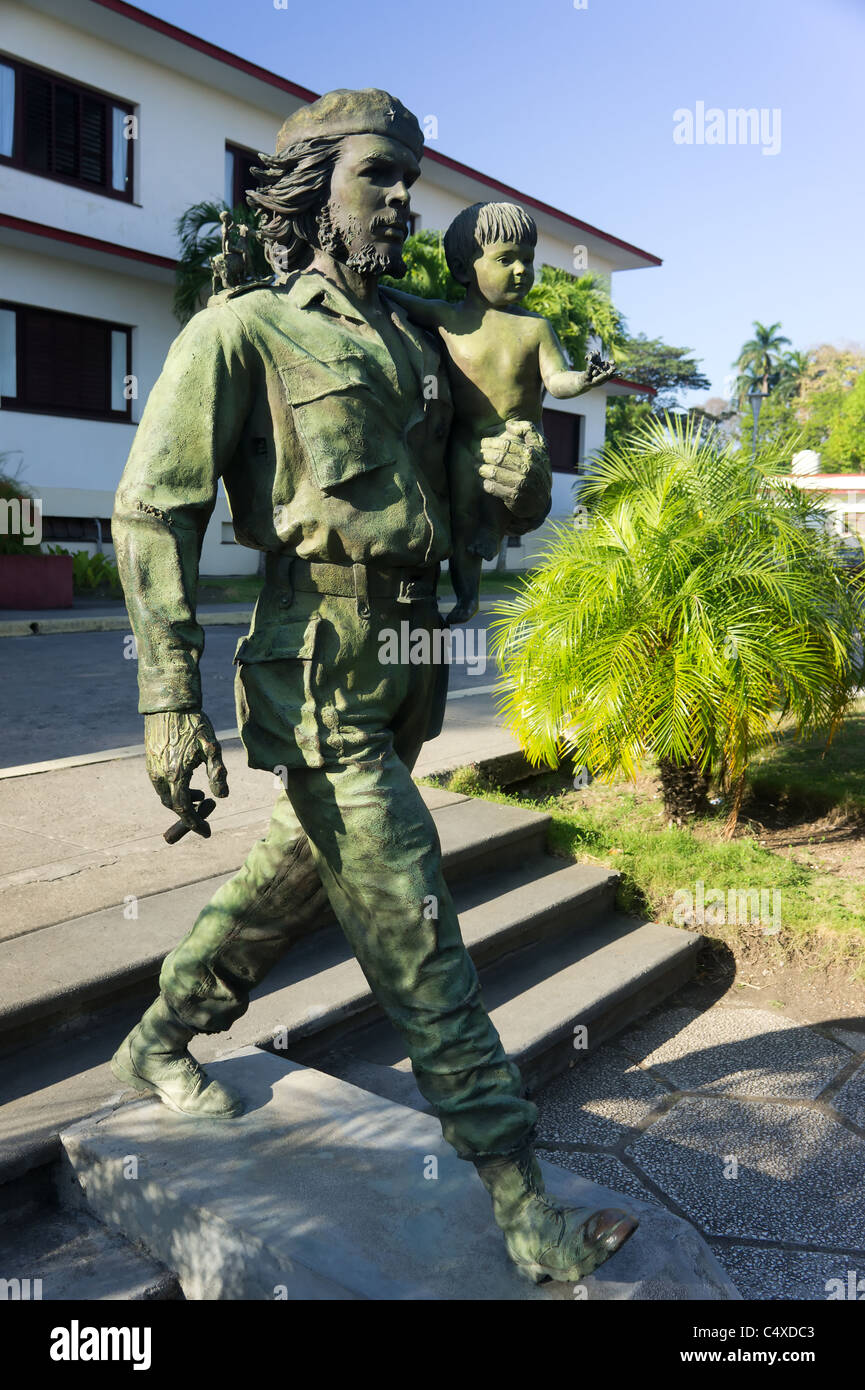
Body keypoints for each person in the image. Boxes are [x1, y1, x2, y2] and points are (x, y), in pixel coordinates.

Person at [109, 88, 637, 1285]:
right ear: (313, 188)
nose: (404, 201)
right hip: (313, 665)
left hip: (408, 666)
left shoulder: (420, 338)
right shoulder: (240, 332)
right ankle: (520, 1196)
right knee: (414, 917)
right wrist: (167, 700)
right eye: (379, 178)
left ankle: (158, 1035)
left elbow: (476, 509)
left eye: (410, 179)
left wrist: (512, 487)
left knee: (288, 882)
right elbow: (151, 514)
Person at [386, 201, 615, 622]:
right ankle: (467, 596)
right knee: (462, 522)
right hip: (464, 444)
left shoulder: (535, 328)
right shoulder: (445, 317)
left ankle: (493, 534)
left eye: (528, 260)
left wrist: (584, 379)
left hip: (516, 439)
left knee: (494, 513)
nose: (522, 270)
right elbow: (394, 298)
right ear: (462, 267)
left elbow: (557, 380)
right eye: (506, 259)